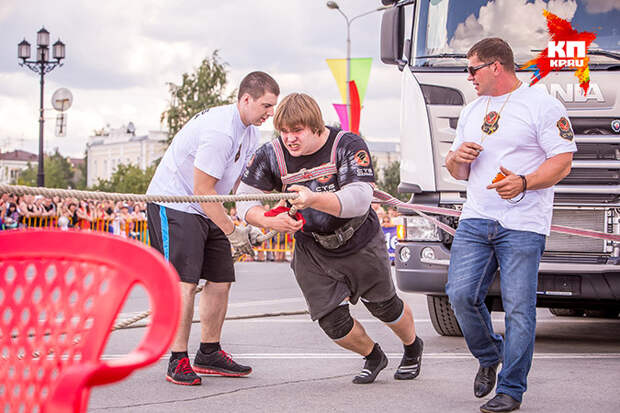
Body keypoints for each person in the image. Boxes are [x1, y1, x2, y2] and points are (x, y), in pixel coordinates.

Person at [237, 93, 423, 385]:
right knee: (331, 321)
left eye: (297, 131)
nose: (289, 139)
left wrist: (313, 199)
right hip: (312, 247)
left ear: (315, 126)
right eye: (283, 131)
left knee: (384, 306)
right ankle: (373, 355)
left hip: (359, 239)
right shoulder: (271, 154)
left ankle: (412, 348)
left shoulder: (347, 144)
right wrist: (267, 220)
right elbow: (244, 199)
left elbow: (359, 200)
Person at [444, 38, 576, 412]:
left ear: (496, 67)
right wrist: (456, 158)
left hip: (523, 223)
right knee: (459, 295)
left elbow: (563, 162)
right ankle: (490, 355)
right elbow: (457, 171)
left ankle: (511, 389)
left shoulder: (542, 105)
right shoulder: (472, 111)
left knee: (519, 309)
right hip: (476, 218)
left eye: (472, 69)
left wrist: (524, 182)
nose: (468, 77)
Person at [146, 71, 279, 386]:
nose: (270, 113)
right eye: (266, 105)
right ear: (246, 99)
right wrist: (233, 231)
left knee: (221, 280)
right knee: (184, 283)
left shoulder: (250, 133)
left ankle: (209, 352)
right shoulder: (221, 131)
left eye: (272, 107)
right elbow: (202, 190)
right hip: (175, 203)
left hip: (206, 206)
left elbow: (238, 187)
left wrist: (253, 220)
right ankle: (177, 358)